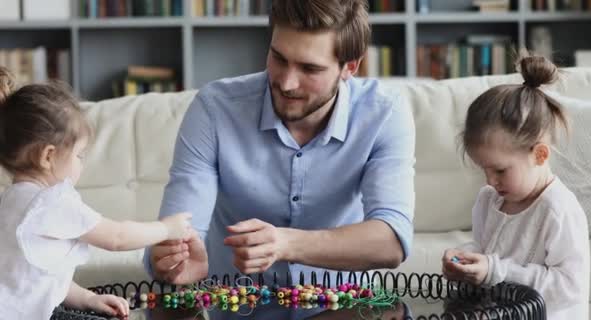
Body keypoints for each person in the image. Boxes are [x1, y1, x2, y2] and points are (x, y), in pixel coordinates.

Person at [146, 0, 415, 286]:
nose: (286, 83)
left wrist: (285, 244)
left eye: (309, 69)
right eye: (278, 58)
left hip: (344, 307)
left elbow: (392, 240)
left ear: (350, 67)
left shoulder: (384, 113)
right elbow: (180, 232)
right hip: (239, 309)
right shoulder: (214, 109)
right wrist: (170, 260)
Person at [0, 67, 193, 319]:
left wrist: (89, 298)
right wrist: (166, 229)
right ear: (48, 156)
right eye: (79, 155)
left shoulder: (9, 201)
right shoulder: (51, 202)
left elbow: (41, 280)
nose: (82, 163)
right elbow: (118, 237)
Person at [441, 55, 590, 320]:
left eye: (499, 170)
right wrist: (468, 261)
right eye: (483, 169)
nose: (490, 181)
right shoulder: (490, 200)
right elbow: (488, 253)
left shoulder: (558, 210)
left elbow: (570, 287)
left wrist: (494, 270)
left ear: (540, 155)